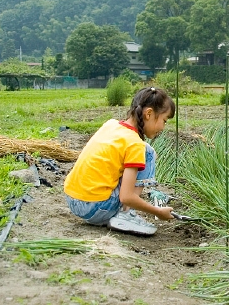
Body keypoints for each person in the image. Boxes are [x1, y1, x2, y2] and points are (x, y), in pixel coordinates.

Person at [64, 87, 175, 235]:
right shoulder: (134, 143)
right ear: (149, 114)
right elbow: (126, 197)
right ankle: (126, 215)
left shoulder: (111, 125)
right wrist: (158, 211)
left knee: (144, 150)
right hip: (95, 207)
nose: (163, 127)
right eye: (164, 120)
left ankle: (123, 213)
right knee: (147, 153)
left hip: (72, 199)